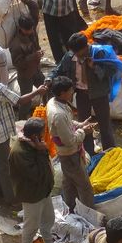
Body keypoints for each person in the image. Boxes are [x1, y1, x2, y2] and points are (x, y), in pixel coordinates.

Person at [0, 54, 46, 207]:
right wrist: (37, 92)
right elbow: (19, 101)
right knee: (6, 167)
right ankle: (12, 199)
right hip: (0, 134)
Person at [9, 117, 68, 243]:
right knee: (31, 226)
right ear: (34, 136)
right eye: (42, 133)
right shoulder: (20, 152)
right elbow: (36, 174)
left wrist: (41, 149)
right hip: (32, 195)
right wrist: (42, 151)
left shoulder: (34, 144)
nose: (45, 135)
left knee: (48, 220)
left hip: (43, 191)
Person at [46, 76, 95, 211]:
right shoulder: (59, 114)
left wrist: (80, 124)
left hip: (66, 153)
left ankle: (70, 208)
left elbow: (67, 123)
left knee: (68, 183)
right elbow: (69, 141)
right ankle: (88, 214)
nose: (73, 91)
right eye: (70, 90)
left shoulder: (54, 102)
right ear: (62, 93)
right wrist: (84, 131)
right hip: (70, 154)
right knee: (84, 187)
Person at [8, 16, 44, 118]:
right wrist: (33, 56)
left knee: (47, 89)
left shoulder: (32, 34)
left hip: (36, 71)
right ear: (22, 29)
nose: (32, 30)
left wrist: (39, 52)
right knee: (26, 102)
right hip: (25, 76)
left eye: (32, 28)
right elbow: (17, 64)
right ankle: (22, 120)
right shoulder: (15, 45)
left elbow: (37, 46)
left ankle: (46, 112)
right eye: (29, 29)